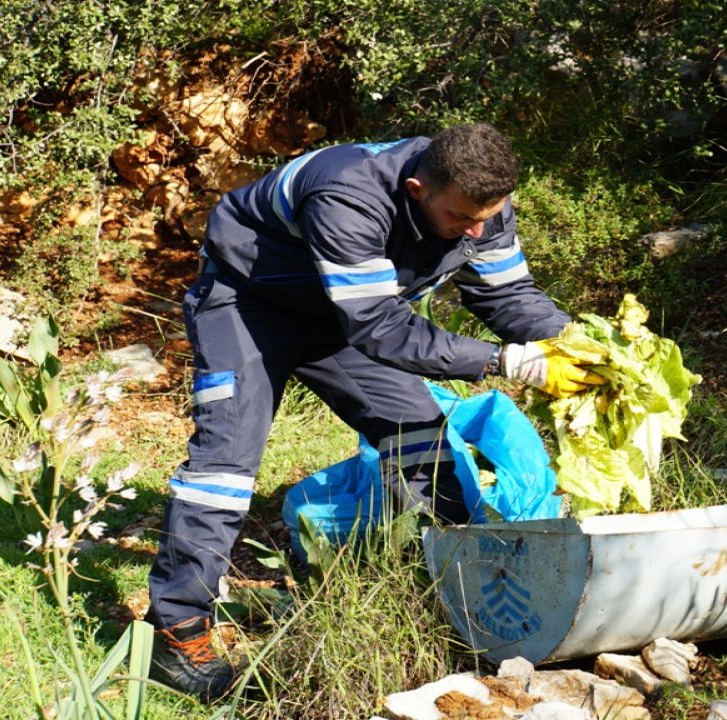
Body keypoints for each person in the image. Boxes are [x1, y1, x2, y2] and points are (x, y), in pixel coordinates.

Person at [145, 123, 602, 701]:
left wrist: (577, 346)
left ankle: (457, 597)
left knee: (424, 443)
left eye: (489, 216)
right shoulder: (346, 193)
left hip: (346, 316)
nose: (477, 230)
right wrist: (503, 362)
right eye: (463, 219)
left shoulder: (479, 201)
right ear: (417, 189)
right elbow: (379, 326)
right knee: (225, 466)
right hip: (249, 304)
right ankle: (177, 633)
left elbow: (507, 295)